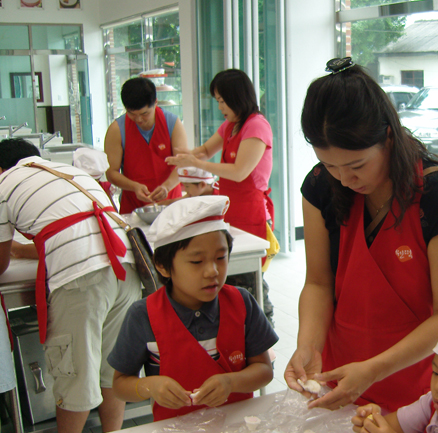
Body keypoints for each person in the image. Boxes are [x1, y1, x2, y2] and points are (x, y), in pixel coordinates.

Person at [283, 57, 438, 412]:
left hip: (415, 383)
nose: (344, 180)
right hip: (341, 375)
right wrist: (307, 345)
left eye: (357, 166)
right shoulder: (320, 186)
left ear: (388, 137)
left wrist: (373, 370)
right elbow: (318, 283)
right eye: (330, 165)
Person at [0, 138, 141, 433]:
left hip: (82, 279)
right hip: (125, 267)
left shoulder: (3, 184)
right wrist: (18, 249)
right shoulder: (68, 173)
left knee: (74, 375)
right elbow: (67, 229)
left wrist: (11, 249)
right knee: (110, 369)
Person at [108, 196, 277, 422]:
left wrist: (231, 382)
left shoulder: (242, 303)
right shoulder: (144, 315)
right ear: (163, 266)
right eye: (197, 262)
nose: (212, 271)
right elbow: (119, 385)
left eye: (221, 257)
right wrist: (149, 386)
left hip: (237, 424)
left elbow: (264, 371)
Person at [165, 69, 275, 324]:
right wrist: (186, 158)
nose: (220, 107)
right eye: (217, 101)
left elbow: (239, 172)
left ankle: (263, 327)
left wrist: (198, 164)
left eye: (222, 101)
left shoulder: (256, 126)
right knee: (231, 275)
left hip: (250, 210)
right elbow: (204, 150)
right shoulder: (231, 126)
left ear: (237, 97)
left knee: (250, 277)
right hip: (229, 210)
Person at [104, 77, 188, 214]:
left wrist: (166, 187)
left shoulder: (172, 123)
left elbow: (183, 164)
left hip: (170, 203)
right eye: (132, 114)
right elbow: (111, 172)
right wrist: (134, 186)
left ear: (155, 102)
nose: (138, 119)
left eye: (144, 114)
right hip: (133, 206)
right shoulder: (117, 130)